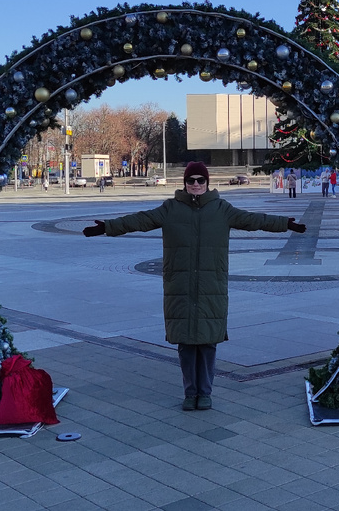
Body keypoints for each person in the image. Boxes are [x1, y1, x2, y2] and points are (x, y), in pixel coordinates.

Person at [82, 162, 305, 411]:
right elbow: (140, 220)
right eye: (191, 180)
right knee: (186, 344)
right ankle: (190, 393)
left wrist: (285, 223)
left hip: (212, 285)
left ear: (207, 183)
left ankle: (205, 392)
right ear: (185, 183)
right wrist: (107, 227)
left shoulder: (222, 209)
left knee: (208, 343)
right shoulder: (170, 208)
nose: (196, 184)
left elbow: (253, 220)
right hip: (181, 285)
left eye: (200, 180)